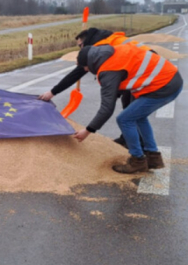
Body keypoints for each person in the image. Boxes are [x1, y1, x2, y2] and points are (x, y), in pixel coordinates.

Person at [72, 41, 183, 174]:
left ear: (90, 63)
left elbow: (107, 108)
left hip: (163, 86)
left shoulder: (108, 70)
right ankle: (153, 157)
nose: (86, 71)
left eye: (86, 68)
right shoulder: (112, 52)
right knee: (138, 117)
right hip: (170, 79)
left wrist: (88, 130)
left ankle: (138, 160)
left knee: (124, 119)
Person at [38, 28, 142, 147]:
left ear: (86, 41)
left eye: (80, 45)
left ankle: (140, 146)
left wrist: (53, 92)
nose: (81, 49)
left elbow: (78, 73)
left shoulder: (99, 48)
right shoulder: (105, 40)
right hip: (135, 68)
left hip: (141, 70)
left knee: (130, 112)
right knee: (129, 107)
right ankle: (130, 139)